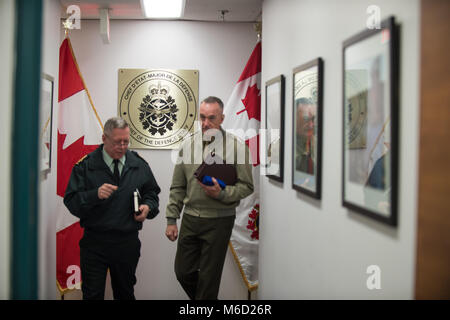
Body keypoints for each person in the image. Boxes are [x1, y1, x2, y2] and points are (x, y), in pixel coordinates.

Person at [165, 96, 254, 300]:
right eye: (202, 117)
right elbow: (178, 186)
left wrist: (221, 193)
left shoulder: (237, 147)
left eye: (211, 118)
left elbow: (247, 187)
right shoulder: (187, 145)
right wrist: (171, 219)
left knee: (209, 279)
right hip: (190, 219)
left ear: (222, 118)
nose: (205, 123)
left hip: (219, 221)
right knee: (183, 272)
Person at [64, 117, 161, 300]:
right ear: (104, 138)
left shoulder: (138, 164)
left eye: (126, 141)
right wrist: (94, 194)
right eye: (117, 142)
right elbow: (71, 201)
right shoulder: (86, 165)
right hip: (95, 243)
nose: (123, 146)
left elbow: (152, 193)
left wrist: (148, 207)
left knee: (125, 294)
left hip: (126, 242)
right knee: (92, 295)